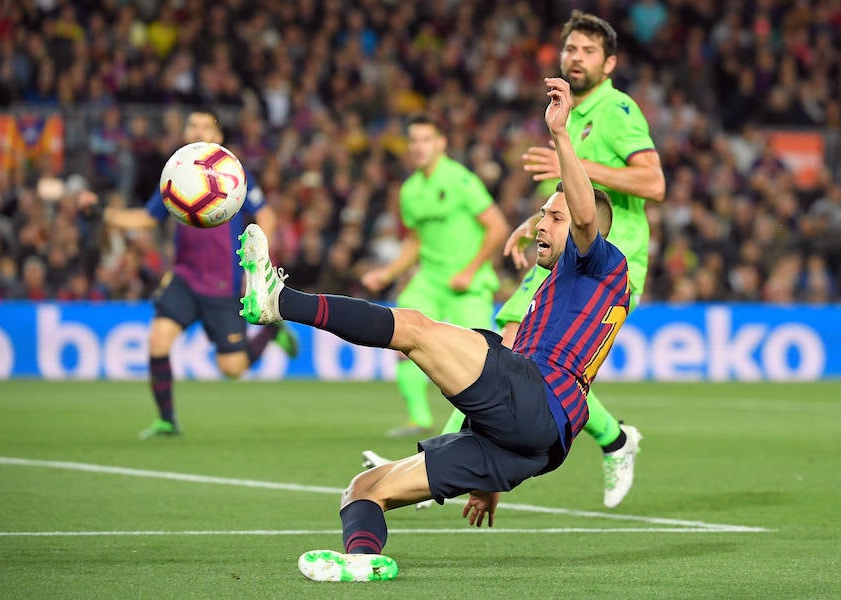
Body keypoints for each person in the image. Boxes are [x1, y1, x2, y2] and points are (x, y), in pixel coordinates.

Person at [238, 77, 630, 582]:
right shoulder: (554, 288)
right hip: (532, 437)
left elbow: (582, 215)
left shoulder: (599, 261)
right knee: (365, 487)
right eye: (541, 215)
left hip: (541, 398)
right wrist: (489, 470)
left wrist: (561, 135)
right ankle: (362, 561)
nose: (540, 224)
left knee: (417, 329)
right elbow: (501, 376)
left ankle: (280, 300)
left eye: (552, 217)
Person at [365, 10, 666, 509]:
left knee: (512, 353)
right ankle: (613, 439)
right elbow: (573, 194)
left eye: (589, 51)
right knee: (526, 363)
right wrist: (539, 222)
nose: (576, 57)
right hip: (568, 252)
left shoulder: (617, 111)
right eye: (571, 48)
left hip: (606, 260)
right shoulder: (571, 110)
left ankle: (433, 467)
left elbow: (654, 184)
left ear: (609, 63)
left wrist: (573, 162)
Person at [79, 109, 298, 438]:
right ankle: (167, 420)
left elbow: (265, 215)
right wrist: (102, 213)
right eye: (192, 125)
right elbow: (147, 218)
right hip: (185, 277)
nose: (198, 130)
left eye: (206, 126)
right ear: (185, 133)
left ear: (218, 137)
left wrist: (258, 263)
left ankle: (272, 333)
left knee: (233, 368)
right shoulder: (175, 174)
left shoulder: (233, 172)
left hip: (224, 283)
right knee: (158, 339)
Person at [360, 114, 509, 437]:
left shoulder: (460, 179)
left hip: (467, 283)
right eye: (413, 140)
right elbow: (415, 241)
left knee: (477, 360)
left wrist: (470, 270)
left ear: (441, 143)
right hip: (429, 280)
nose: (418, 146)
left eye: (426, 139)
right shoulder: (410, 190)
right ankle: (418, 419)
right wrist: (387, 273)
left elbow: (497, 227)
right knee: (400, 335)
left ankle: (471, 425)